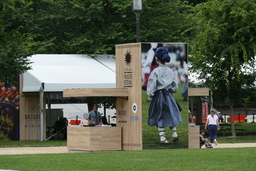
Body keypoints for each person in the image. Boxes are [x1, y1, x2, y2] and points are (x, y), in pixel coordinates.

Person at [147, 47, 182, 144]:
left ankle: (163, 138)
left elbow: (152, 85)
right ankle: (174, 134)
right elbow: (175, 86)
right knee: (170, 114)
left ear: (156, 58)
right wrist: (171, 90)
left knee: (160, 116)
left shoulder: (155, 72)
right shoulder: (171, 71)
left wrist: (150, 96)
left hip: (159, 96)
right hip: (169, 95)